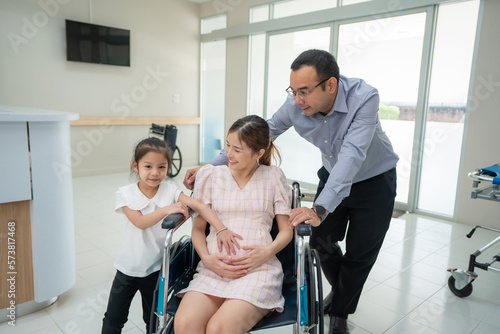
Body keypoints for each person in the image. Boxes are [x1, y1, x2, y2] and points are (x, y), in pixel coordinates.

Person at [184, 49, 398, 334]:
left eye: (304, 92)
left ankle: (341, 312)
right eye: (293, 91)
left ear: (330, 85)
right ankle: (343, 288)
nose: (297, 100)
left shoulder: (365, 98)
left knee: (360, 253)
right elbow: (262, 134)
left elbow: (352, 156)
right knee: (318, 239)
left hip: (374, 180)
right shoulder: (295, 104)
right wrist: (209, 167)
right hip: (333, 176)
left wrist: (319, 209)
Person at [101, 137, 240, 334]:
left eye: (162, 167)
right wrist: (168, 209)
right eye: (148, 166)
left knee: (153, 319)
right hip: (127, 270)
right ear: (136, 165)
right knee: (114, 319)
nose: (155, 173)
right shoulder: (126, 194)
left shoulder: (169, 190)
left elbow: (199, 206)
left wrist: (221, 228)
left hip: (156, 269)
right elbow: (140, 223)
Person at [174, 115, 293, 334]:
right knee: (184, 325)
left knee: (220, 328)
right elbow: (198, 229)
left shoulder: (273, 177)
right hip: (213, 269)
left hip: (257, 270)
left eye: (237, 149)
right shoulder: (210, 176)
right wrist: (208, 260)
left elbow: (286, 231)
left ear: (259, 153)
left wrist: (266, 252)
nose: (229, 153)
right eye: (228, 145)